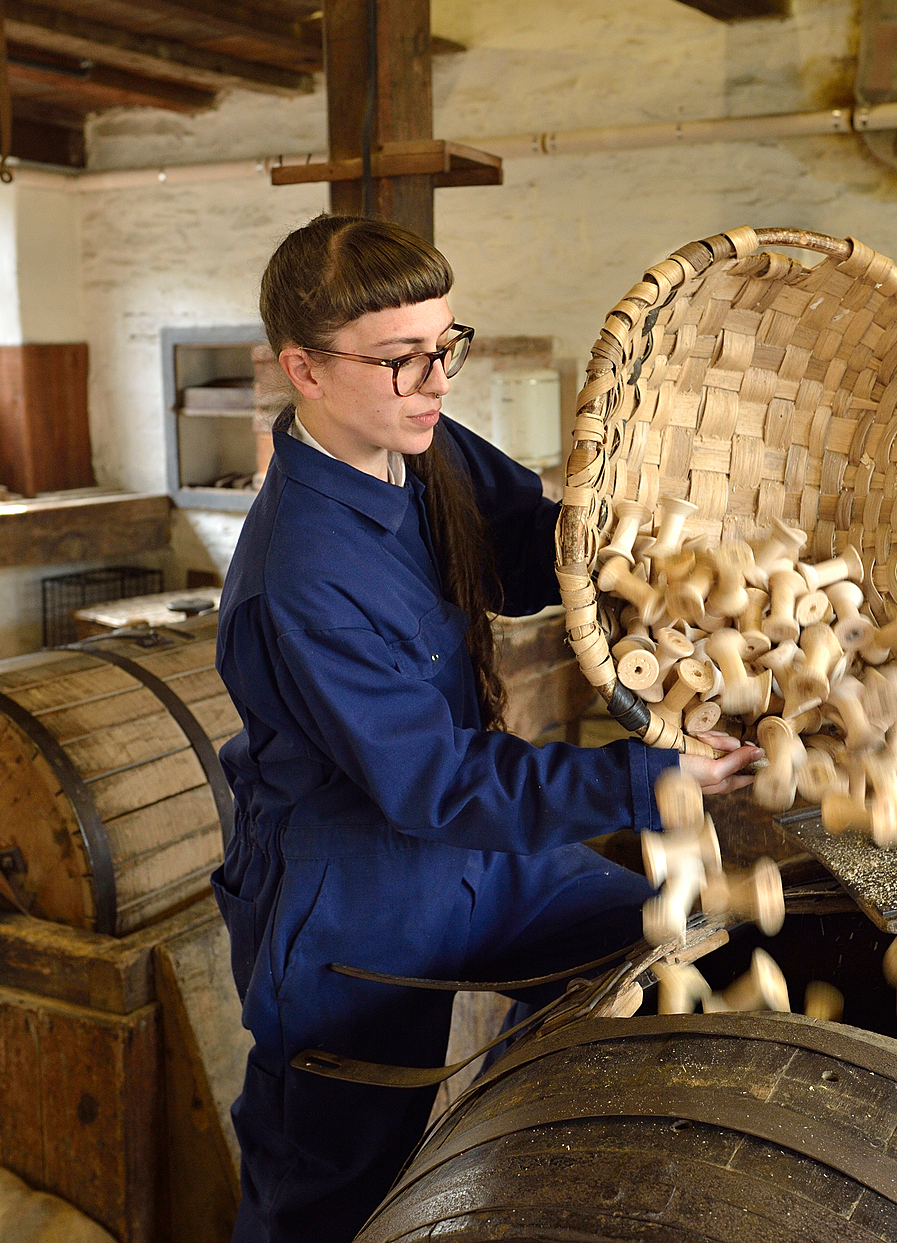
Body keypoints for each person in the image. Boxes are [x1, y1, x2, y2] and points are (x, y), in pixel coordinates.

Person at [213, 215, 762, 1243]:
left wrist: (647, 543)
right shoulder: (301, 576)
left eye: (445, 346)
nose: (435, 381)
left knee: (661, 937)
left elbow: (517, 544)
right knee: (325, 1190)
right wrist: (651, 777)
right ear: (306, 369)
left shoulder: (420, 446)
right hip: (356, 900)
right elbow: (439, 784)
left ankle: (509, 1146)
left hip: (476, 863)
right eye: (399, 360)